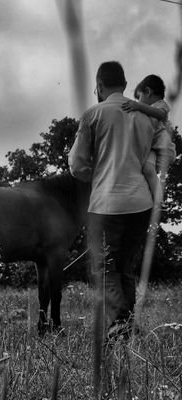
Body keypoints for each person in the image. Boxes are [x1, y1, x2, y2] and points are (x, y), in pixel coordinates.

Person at [68, 61, 176, 341]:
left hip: (107, 203)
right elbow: (168, 152)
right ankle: (128, 327)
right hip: (141, 203)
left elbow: (77, 166)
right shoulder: (149, 116)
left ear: (99, 85)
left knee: (104, 266)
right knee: (124, 266)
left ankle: (119, 325)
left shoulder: (93, 115)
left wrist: (100, 171)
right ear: (126, 85)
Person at [122, 75, 175, 200]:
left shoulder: (160, 104)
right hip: (154, 149)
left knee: (148, 170)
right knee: (146, 169)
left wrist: (138, 106)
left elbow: (160, 114)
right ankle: (153, 197)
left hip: (163, 149)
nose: (138, 101)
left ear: (148, 91)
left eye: (139, 97)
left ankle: (158, 198)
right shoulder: (148, 110)